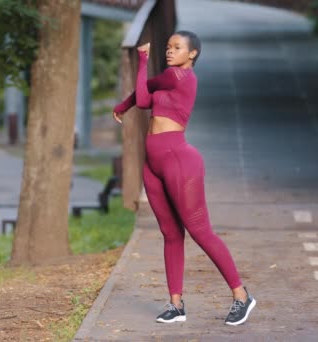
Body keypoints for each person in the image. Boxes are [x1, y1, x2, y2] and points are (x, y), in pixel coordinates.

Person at [112, 31, 256, 326]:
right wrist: (123, 105)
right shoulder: (167, 80)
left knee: (200, 231)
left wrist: (142, 59)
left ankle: (242, 296)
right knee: (171, 234)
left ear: (192, 54)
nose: (169, 51)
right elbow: (144, 93)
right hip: (153, 163)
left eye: (177, 48)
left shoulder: (181, 78)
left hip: (180, 161)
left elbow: (142, 99)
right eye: (167, 47)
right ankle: (176, 305)